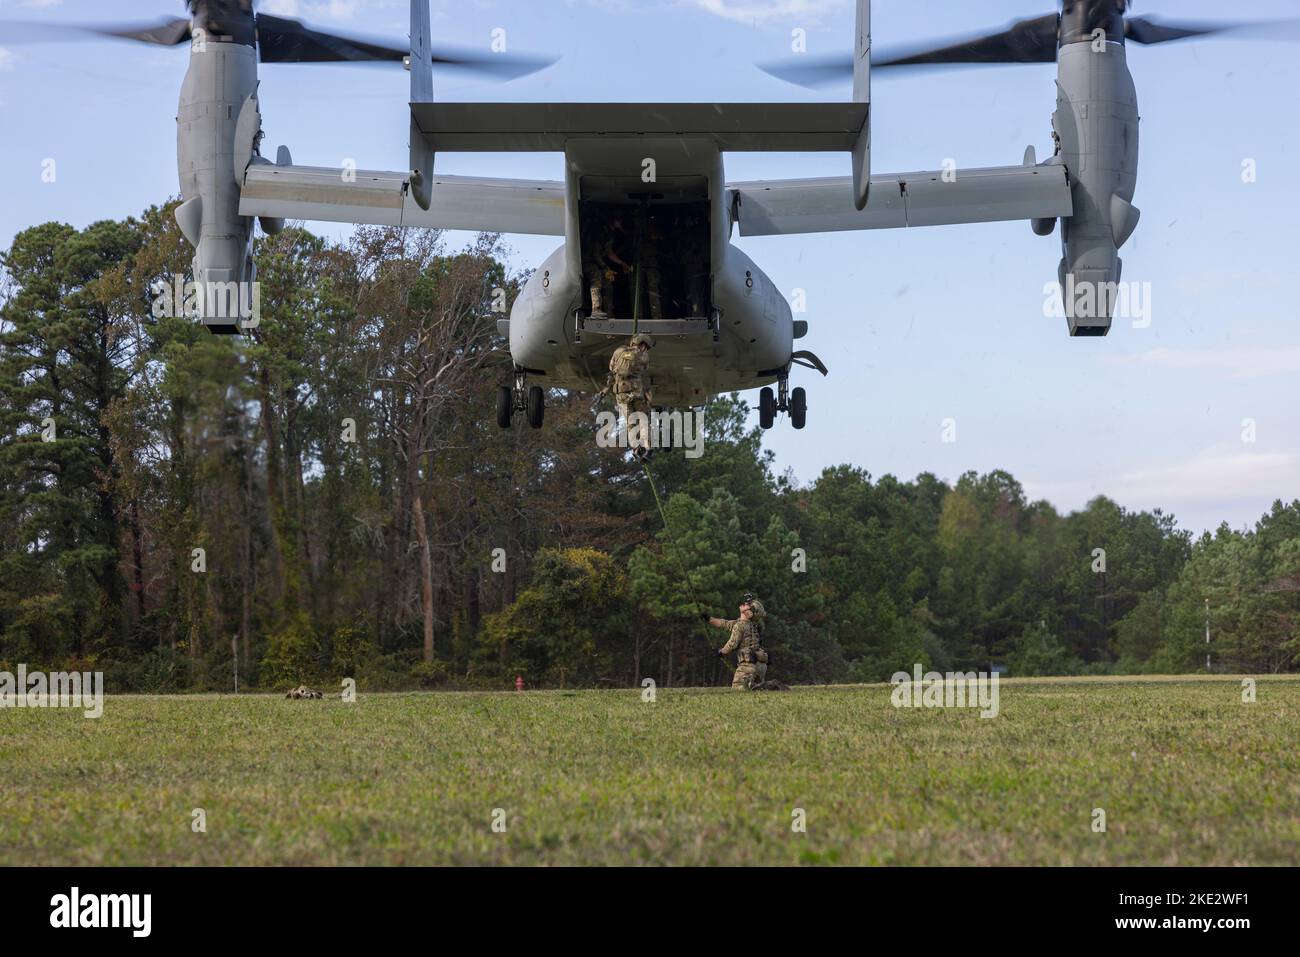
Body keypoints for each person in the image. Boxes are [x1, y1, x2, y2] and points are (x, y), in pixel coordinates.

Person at [702, 593, 769, 690]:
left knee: (738, 689)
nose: (745, 603)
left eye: (748, 605)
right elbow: (724, 624)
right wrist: (709, 619)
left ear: (749, 613)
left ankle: (756, 685)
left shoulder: (740, 626)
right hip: (760, 666)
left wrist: (721, 652)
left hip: (747, 667)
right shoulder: (749, 625)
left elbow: (732, 644)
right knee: (757, 690)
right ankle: (760, 685)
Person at [605, 333, 654, 456]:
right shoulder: (644, 356)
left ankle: (636, 448)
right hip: (636, 393)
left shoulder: (619, 351)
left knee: (631, 423)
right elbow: (645, 368)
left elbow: (611, 368)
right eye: (646, 347)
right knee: (643, 419)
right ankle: (647, 447)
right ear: (643, 345)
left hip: (621, 394)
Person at [583, 211, 630, 318]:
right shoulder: (601, 232)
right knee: (597, 278)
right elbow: (595, 253)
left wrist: (622, 263)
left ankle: (609, 313)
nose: (620, 223)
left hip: (598, 261)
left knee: (608, 284)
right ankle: (596, 309)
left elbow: (609, 252)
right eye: (619, 220)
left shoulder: (609, 234)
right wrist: (605, 268)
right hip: (589, 261)